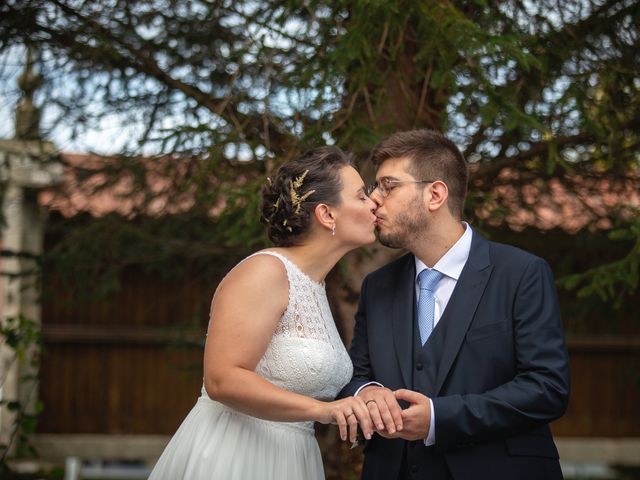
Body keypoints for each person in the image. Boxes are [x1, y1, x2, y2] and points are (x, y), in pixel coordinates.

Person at [339, 129, 570, 480]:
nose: (374, 200)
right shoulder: (378, 286)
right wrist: (367, 392)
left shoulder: (521, 273)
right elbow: (355, 375)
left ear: (435, 194)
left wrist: (438, 419)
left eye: (388, 186)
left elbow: (547, 387)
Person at [149, 146, 378, 480]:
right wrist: (323, 411)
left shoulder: (315, 287)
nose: (373, 203)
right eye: (361, 196)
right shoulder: (266, 272)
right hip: (237, 456)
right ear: (327, 215)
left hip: (293, 458)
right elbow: (222, 378)